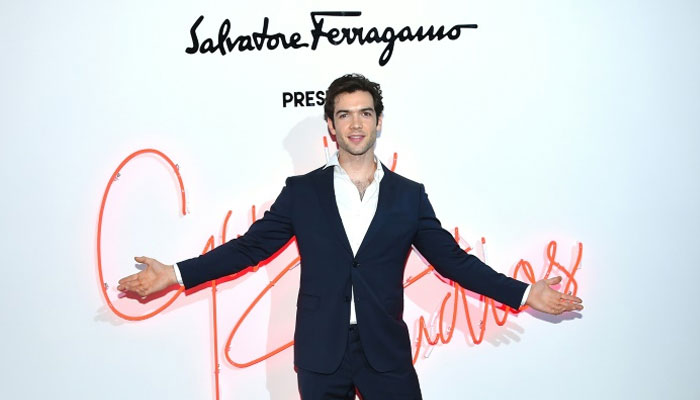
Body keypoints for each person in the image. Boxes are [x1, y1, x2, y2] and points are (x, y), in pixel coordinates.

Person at [118, 73, 583, 399]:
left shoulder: (408, 195)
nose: (356, 124)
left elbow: (453, 261)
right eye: (344, 115)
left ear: (379, 121)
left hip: (385, 350)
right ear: (331, 126)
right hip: (321, 352)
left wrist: (525, 293)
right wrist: (175, 273)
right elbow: (250, 248)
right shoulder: (302, 192)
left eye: (365, 113)